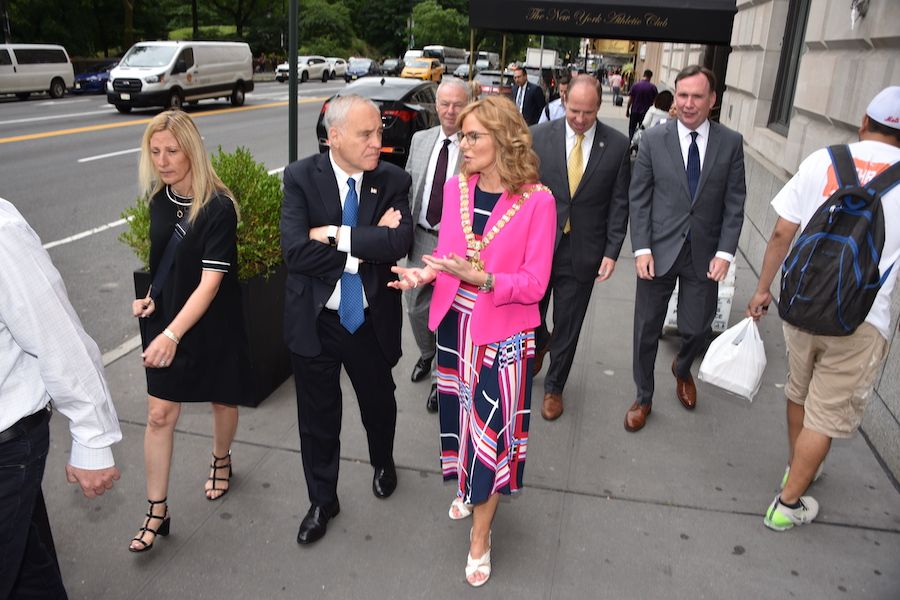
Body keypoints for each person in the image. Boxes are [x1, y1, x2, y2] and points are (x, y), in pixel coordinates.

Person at [389, 95, 555, 586]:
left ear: (504, 139)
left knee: (491, 439)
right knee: (461, 422)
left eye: (473, 136)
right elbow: (446, 255)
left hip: (502, 338)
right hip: (455, 331)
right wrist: (424, 276)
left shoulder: (538, 201)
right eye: (462, 135)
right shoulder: (456, 185)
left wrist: (483, 280)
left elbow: (535, 284)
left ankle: (481, 539)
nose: (463, 144)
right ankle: (466, 486)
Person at [747, 86, 900, 531]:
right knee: (826, 412)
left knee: (799, 390)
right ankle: (787, 504)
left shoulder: (822, 160)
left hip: (802, 304)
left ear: (863, 125)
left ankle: (797, 464)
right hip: (862, 318)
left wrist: (762, 290)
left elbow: (781, 233)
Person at [281, 94, 413, 545]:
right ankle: (322, 500)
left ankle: (383, 461)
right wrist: (365, 247)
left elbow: (399, 244)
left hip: (368, 320)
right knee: (317, 419)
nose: (379, 141)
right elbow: (294, 252)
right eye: (366, 134)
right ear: (333, 136)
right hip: (316, 320)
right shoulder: (300, 177)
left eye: (380, 131)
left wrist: (335, 235)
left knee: (379, 403)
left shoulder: (393, 179)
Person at [129, 110, 253, 552]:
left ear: (192, 149)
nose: (162, 161)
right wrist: (151, 299)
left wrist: (172, 334)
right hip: (170, 323)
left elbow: (210, 282)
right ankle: (156, 510)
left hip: (211, 324)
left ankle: (221, 458)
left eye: (172, 151)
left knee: (223, 397)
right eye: (155, 151)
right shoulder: (159, 201)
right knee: (159, 414)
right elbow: (165, 263)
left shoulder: (218, 207)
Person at [0, 199, 122, 598]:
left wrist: (93, 437)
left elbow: (57, 335)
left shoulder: (1, 232)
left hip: (8, 447)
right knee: (27, 576)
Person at [627, 65, 746, 432]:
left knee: (697, 329)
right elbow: (640, 197)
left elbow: (735, 201)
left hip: (705, 255)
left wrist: (725, 253)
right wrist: (641, 247)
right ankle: (643, 397)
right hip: (658, 251)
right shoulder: (653, 140)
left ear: (712, 100)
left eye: (697, 96)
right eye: (682, 96)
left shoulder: (730, 142)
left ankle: (682, 367)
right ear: (674, 98)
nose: (688, 104)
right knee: (646, 330)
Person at [531, 75, 631, 420]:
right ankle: (541, 341)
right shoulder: (538, 136)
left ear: (599, 107)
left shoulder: (617, 145)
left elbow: (620, 202)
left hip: (584, 249)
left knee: (569, 324)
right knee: (529, 315)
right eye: (574, 110)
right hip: (539, 247)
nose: (580, 119)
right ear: (563, 100)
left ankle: (555, 386)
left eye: (588, 112)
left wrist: (612, 251)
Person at [404, 78, 470, 412]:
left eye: (457, 104)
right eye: (444, 103)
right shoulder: (420, 139)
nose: (450, 110)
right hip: (420, 239)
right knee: (414, 308)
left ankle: (439, 381)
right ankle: (427, 353)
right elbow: (408, 186)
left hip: (455, 248)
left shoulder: (474, 147)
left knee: (445, 315)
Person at [626, 69, 659, 140]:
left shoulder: (635, 85)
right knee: (643, 128)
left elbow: (631, 99)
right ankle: (640, 143)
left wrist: (627, 109)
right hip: (646, 112)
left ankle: (631, 141)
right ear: (650, 77)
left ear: (643, 75)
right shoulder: (653, 87)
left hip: (635, 110)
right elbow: (656, 101)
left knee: (632, 128)